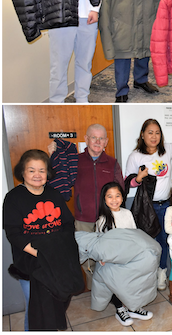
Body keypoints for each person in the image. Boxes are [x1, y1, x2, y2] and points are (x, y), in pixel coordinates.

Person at [3, 150, 83, 331]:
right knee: (36, 310)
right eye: (31, 170)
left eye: (42, 170)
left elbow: (68, 223)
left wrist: (61, 251)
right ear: (22, 172)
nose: (37, 175)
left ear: (48, 173)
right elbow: (13, 233)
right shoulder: (13, 198)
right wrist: (41, 253)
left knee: (55, 304)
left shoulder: (53, 194)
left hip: (55, 259)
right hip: (31, 262)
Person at [126, 119, 172, 291]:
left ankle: (161, 273)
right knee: (147, 242)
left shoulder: (167, 150)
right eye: (150, 132)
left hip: (167, 205)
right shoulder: (135, 156)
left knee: (165, 241)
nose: (154, 136)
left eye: (157, 132)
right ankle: (148, 275)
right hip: (146, 206)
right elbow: (127, 182)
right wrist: (138, 178)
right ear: (142, 135)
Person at [49, 123, 124, 288]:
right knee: (86, 256)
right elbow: (58, 178)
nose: (97, 142)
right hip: (83, 220)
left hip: (107, 219)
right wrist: (52, 156)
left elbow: (121, 189)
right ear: (86, 139)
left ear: (106, 141)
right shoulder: (74, 160)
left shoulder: (112, 163)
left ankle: (108, 288)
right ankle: (94, 288)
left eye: (101, 138)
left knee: (107, 256)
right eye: (93, 138)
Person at [95, 182, 153, 326]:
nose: (114, 199)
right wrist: (103, 258)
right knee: (116, 284)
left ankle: (134, 307)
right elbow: (100, 243)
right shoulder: (102, 220)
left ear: (122, 197)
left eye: (117, 196)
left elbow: (134, 234)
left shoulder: (127, 213)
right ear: (104, 199)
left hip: (129, 256)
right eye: (110, 196)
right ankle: (120, 309)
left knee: (132, 283)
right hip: (112, 260)